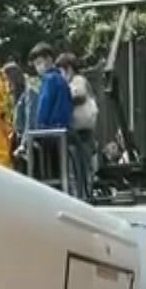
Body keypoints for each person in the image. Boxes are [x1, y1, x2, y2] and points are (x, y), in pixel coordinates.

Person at [30, 42, 74, 190]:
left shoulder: (49, 80)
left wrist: (38, 127)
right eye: (36, 64)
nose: (38, 67)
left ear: (49, 60)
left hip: (50, 131)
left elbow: (44, 105)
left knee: (50, 172)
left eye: (40, 62)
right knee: (61, 170)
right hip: (63, 130)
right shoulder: (61, 79)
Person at [60, 53, 98, 200]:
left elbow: (79, 96)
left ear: (68, 68)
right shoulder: (79, 80)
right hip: (82, 130)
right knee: (79, 168)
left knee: (80, 168)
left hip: (82, 131)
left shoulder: (78, 80)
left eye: (62, 71)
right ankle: (83, 196)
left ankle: (83, 198)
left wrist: (64, 98)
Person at [3, 61, 32, 157]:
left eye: (7, 79)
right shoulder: (13, 97)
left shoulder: (26, 94)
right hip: (17, 138)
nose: (6, 83)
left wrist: (24, 144)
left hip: (24, 141)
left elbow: (28, 120)